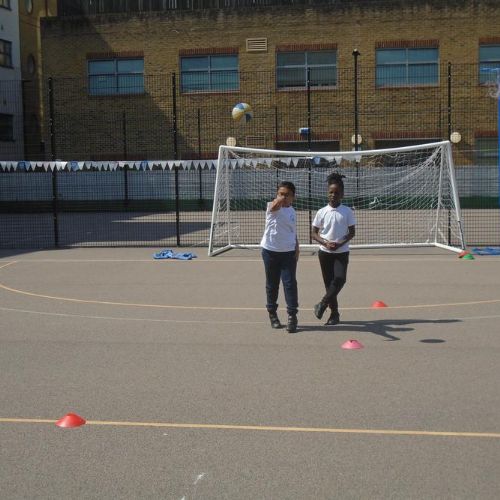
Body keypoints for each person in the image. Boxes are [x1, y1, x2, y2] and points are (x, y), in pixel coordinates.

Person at [311, 172, 356, 325]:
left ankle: (322, 304)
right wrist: (325, 243)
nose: (333, 195)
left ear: (342, 194)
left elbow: (352, 232)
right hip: (325, 253)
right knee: (329, 284)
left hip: (341, 252)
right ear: (327, 193)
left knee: (340, 279)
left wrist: (340, 243)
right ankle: (334, 314)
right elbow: (314, 233)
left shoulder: (347, 211)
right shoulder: (321, 212)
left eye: (337, 193)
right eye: (331, 192)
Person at [260, 181, 300, 333]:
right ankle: (272, 314)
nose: (283, 197)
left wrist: (297, 246)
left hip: (288, 253)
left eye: (287, 195)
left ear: (293, 197)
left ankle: (292, 316)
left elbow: (292, 231)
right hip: (270, 251)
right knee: (272, 284)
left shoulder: (292, 211)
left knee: (290, 284)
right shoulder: (272, 206)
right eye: (280, 194)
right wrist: (279, 199)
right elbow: (275, 206)